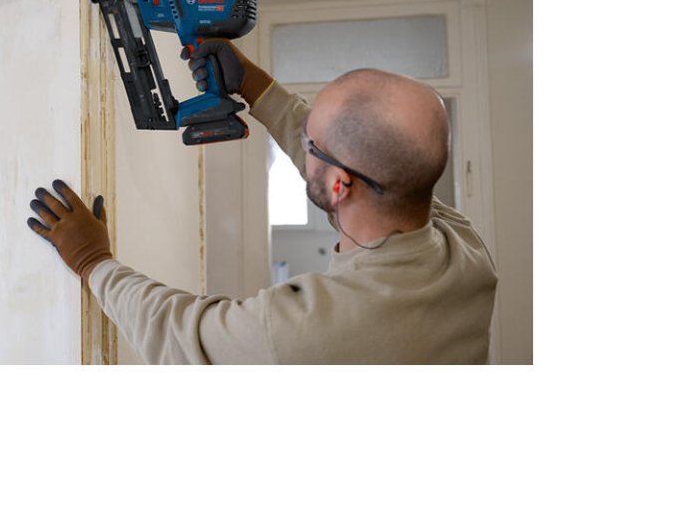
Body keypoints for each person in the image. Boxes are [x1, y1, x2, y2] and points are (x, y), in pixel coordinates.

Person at [27, 40, 498, 364]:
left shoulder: (305, 327)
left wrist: (92, 261)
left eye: (310, 143)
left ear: (339, 186)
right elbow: (357, 161)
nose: (302, 143)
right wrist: (254, 85)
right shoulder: (465, 249)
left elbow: (180, 333)